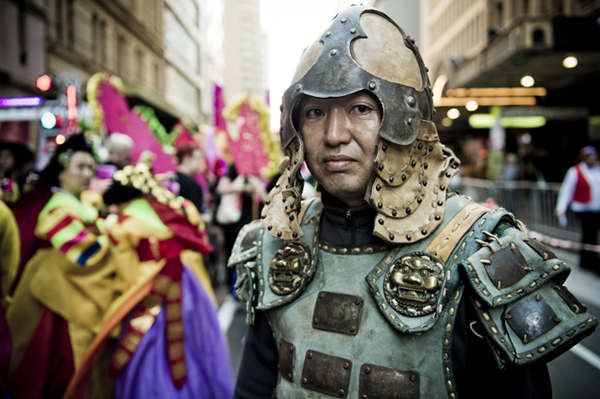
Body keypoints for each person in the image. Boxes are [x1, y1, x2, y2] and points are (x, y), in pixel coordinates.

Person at [229, 6, 597, 399]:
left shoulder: (485, 250)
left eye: (361, 109)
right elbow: (254, 386)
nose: (335, 134)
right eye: (316, 112)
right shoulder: (274, 242)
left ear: (405, 121)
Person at [5, 133, 112, 398]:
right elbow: (84, 252)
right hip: (56, 295)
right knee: (56, 363)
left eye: (90, 167)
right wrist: (117, 241)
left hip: (72, 289)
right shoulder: (59, 207)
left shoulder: (79, 204)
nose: (87, 173)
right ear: (62, 171)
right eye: (80, 167)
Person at [556, 145, 600, 273]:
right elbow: (566, 191)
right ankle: (589, 262)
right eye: (588, 156)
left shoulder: (598, 170)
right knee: (589, 235)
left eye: (593, 156)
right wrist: (561, 207)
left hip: (597, 209)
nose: (591, 159)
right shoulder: (575, 171)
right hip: (583, 209)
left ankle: (589, 261)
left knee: (592, 236)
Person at [174, 144, 207, 213]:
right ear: (187, 158)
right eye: (198, 158)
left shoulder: (171, 179)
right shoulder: (192, 185)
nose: (201, 162)